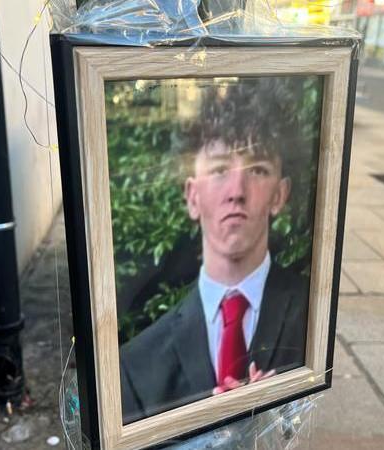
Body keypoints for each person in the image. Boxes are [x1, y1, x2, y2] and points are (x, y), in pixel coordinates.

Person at [118, 79, 311, 424]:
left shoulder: (313, 317)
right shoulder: (137, 365)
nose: (237, 191)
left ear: (280, 195)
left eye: (257, 170)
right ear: (192, 197)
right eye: (220, 169)